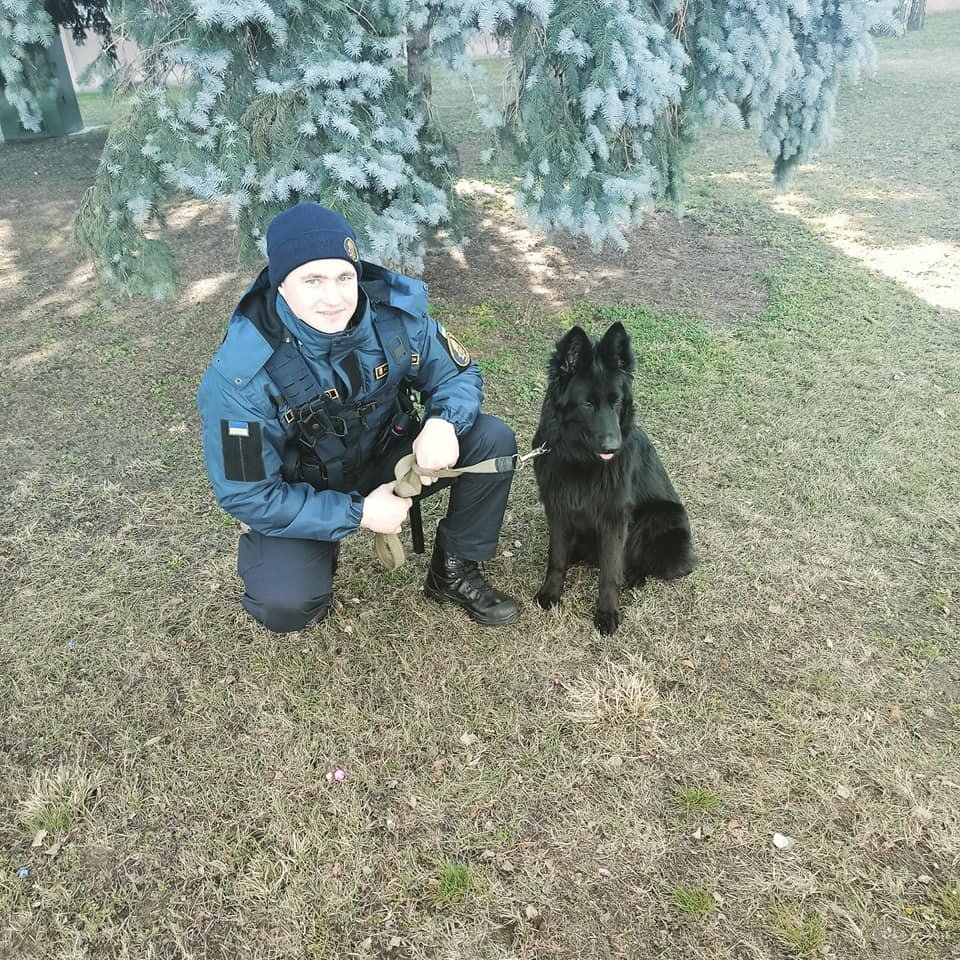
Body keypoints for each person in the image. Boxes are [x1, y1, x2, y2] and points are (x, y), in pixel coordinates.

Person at [196, 201, 520, 632]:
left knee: (491, 438)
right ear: (281, 286)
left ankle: (453, 572)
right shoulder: (241, 374)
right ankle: (313, 556)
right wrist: (359, 513)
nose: (334, 298)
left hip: (388, 457)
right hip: (308, 488)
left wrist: (443, 422)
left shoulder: (393, 318)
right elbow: (249, 495)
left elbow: (456, 374)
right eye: (312, 280)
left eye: (344, 277)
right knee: (284, 603)